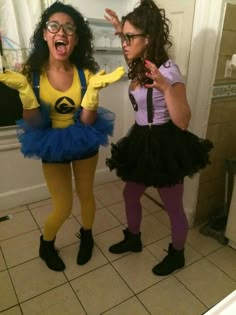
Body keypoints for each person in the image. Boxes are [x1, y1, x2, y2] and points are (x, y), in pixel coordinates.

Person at [0, 1, 125, 272]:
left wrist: (91, 95)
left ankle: (87, 236)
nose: (62, 32)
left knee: (86, 195)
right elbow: (33, 124)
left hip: (83, 139)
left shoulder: (86, 73)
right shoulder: (31, 75)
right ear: (45, 34)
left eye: (70, 28)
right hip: (51, 144)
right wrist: (25, 91)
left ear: (76, 38)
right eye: (54, 26)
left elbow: (87, 121)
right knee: (63, 205)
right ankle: (46, 244)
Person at [104, 0, 213, 276]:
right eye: (123, 38)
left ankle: (177, 254)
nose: (125, 44)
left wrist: (165, 87)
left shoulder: (168, 71)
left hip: (165, 142)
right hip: (141, 139)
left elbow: (183, 121)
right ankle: (134, 238)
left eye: (130, 38)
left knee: (173, 206)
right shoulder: (141, 64)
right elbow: (131, 49)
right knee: (130, 193)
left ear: (148, 39)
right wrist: (121, 31)